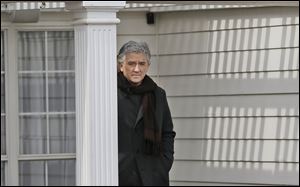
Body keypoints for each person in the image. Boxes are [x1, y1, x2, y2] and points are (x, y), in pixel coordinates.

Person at [117, 41, 176, 186]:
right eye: (131, 63)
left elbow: (167, 132)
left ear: (148, 66)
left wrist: (165, 164)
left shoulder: (158, 94)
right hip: (119, 174)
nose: (137, 69)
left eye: (142, 64)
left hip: (152, 175)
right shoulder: (109, 92)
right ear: (121, 65)